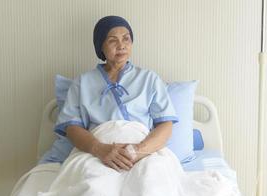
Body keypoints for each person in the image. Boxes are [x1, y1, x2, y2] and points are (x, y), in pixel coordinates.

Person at [54, 16, 178, 172]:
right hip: (96, 153)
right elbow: (71, 128)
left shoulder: (149, 79)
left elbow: (166, 125)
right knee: (93, 188)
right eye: (113, 40)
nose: (121, 45)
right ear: (101, 46)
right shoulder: (82, 82)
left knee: (151, 185)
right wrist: (100, 149)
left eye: (126, 39)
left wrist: (137, 151)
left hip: (144, 152)